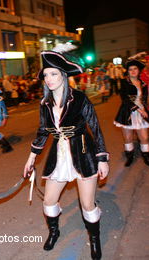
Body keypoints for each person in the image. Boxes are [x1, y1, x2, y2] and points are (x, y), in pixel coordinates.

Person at [23, 43, 109, 259]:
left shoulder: (79, 98)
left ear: (63, 74)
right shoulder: (45, 103)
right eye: (45, 75)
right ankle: (54, 231)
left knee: (87, 204)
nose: (49, 79)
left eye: (53, 73)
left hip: (83, 153)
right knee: (49, 201)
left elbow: (95, 128)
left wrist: (102, 159)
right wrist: (31, 158)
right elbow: (43, 131)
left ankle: (94, 239)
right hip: (59, 156)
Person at [113, 57, 149, 168]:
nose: (133, 71)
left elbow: (145, 99)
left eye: (135, 69)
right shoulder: (124, 82)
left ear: (139, 70)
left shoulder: (143, 84)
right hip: (127, 112)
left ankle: (147, 157)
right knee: (128, 138)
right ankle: (130, 157)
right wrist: (138, 109)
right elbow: (125, 98)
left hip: (141, 113)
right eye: (130, 69)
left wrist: (145, 110)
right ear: (127, 71)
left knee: (144, 138)